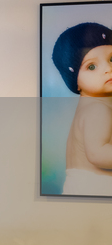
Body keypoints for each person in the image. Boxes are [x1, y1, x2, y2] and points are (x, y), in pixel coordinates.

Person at [52, 23, 112, 196]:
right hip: (95, 188)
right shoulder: (97, 110)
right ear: (75, 81)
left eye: (111, 59)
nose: (108, 69)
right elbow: (97, 154)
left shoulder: (89, 106)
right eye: (92, 66)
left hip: (82, 187)